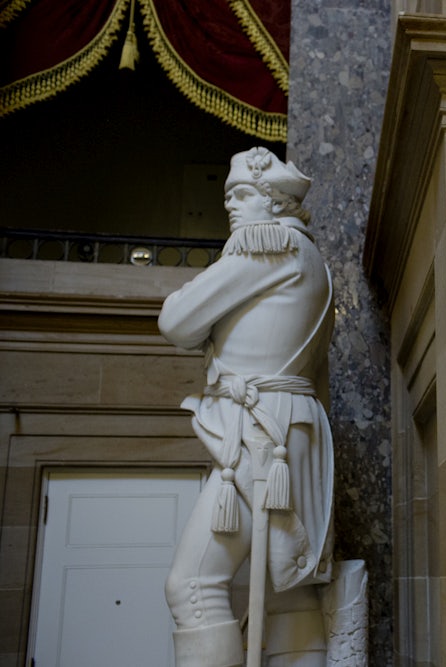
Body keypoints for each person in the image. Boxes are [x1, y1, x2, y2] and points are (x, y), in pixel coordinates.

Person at [159, 147, 334, 667]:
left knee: (191, 586)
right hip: (291, 431)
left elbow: (176, 320)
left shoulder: (268, 245)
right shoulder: (312, 261)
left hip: (260, 434)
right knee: (288, 593)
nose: (231, 208)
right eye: (227, 197)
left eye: (241, 195)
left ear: (274, 202)